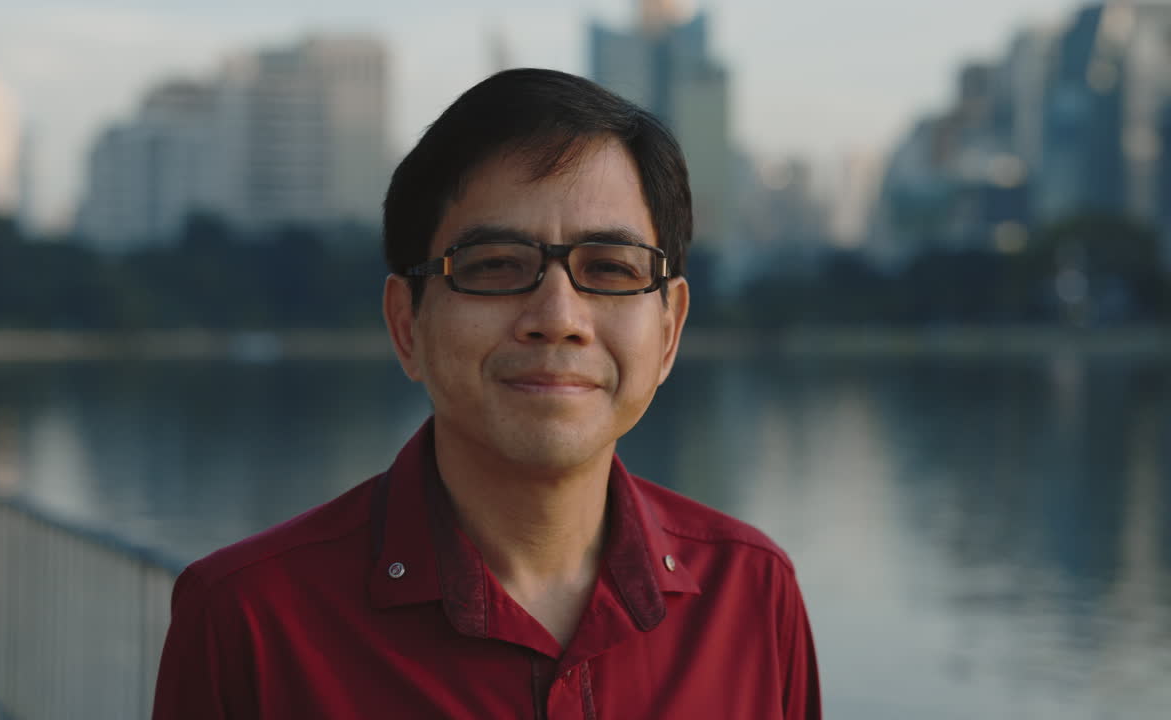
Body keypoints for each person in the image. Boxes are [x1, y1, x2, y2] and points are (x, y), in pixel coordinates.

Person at [152, 68, 820, 719]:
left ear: (669, 329)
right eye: (497, 266)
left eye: (610, 269)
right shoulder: (248, 622)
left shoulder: (752, 595)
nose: (559, 317)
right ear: (406, 323)